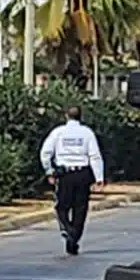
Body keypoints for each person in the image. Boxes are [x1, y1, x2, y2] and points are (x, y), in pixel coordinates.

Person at [40, 105, 104, 255]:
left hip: (65, 174)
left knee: (62, 206)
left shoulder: (58, 132)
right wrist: (99, 177)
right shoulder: (87, 133)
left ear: (66, 116)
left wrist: (49, 171)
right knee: (80, 208)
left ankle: (68, 229)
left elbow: (45, 153)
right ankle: (74, 237)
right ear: (80, 116)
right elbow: (94, 155)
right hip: (83, 174)